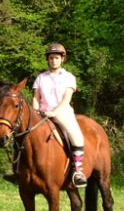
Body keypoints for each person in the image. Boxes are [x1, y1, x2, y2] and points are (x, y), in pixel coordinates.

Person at [32, 43, 86, 188]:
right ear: (48, 60)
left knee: (76, 136)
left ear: (62, 59)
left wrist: (54, 112)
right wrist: (36, 111)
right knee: (23, 134)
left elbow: (66, 99)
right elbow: (36, 98)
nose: (53, 60)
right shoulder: (40, 78)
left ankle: (78, 171)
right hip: (42, 114)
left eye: (56, 58)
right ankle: (18, 169)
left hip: (62, 112)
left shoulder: (69, 77)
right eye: (51, 58)